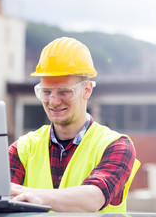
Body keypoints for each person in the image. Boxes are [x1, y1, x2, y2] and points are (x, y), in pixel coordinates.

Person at [9, 37, 140, 212]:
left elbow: (94, 198)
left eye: (64, 92)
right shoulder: (24, 148)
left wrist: (36, 196)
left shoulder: (116, 146)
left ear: (87, 90)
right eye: (46, 92)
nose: (53, 101)